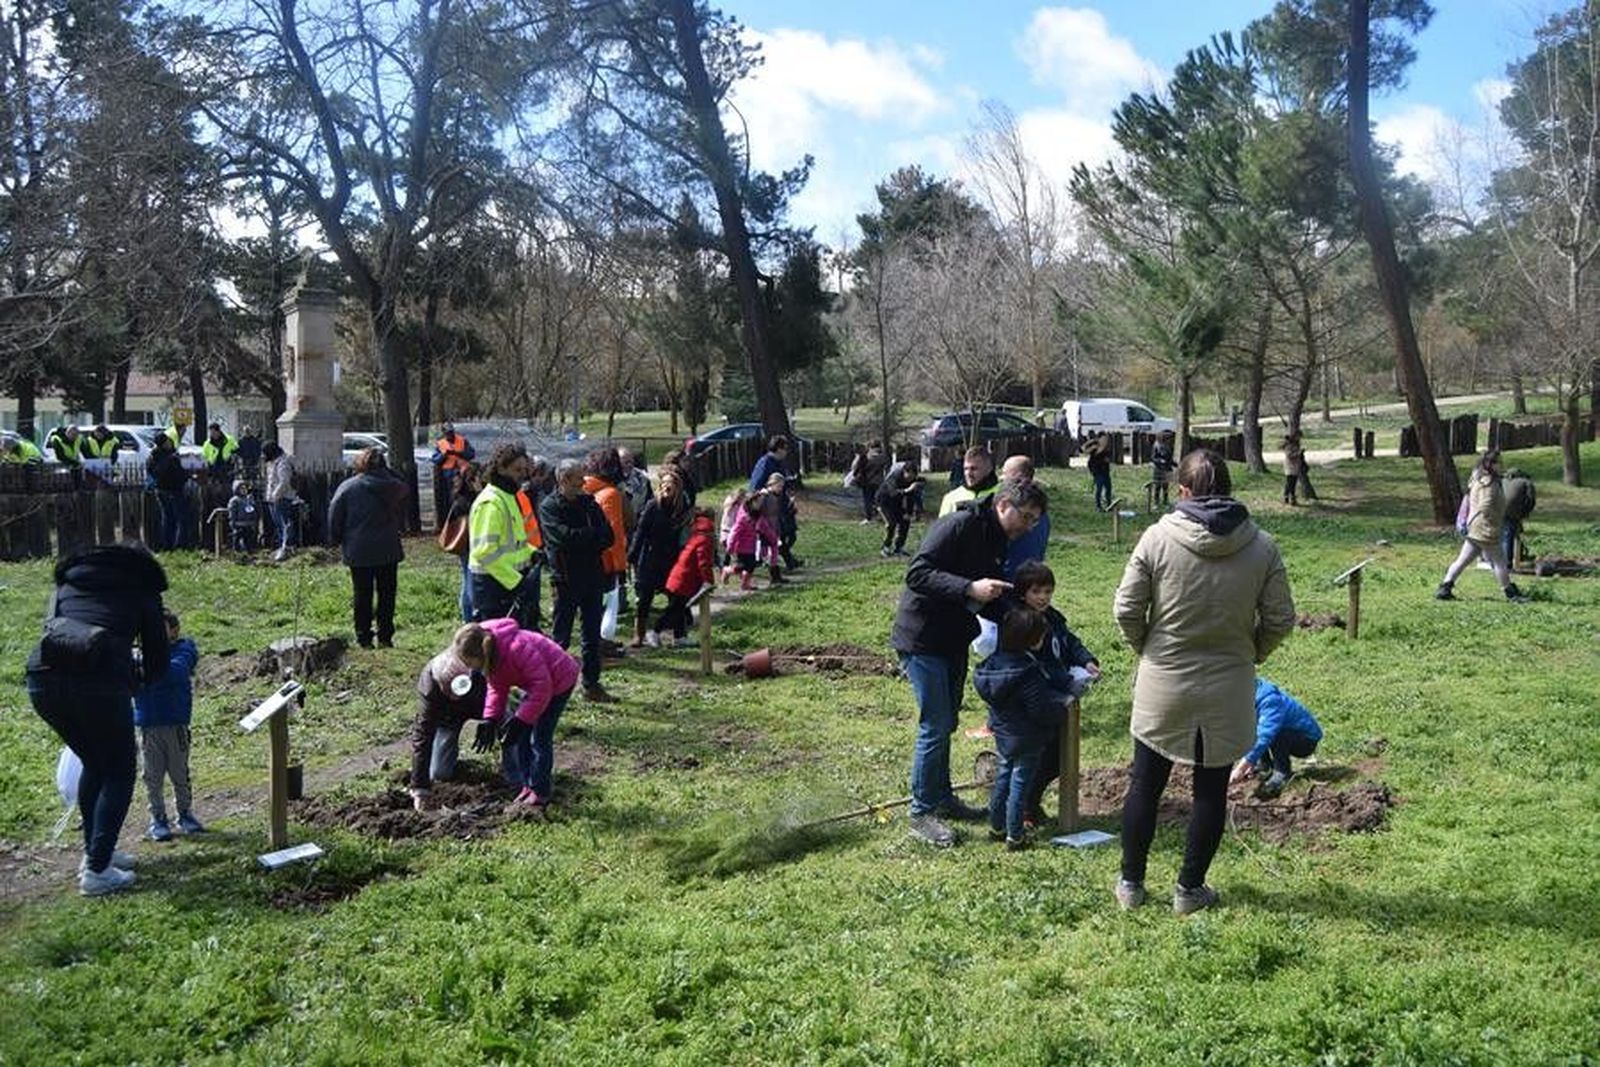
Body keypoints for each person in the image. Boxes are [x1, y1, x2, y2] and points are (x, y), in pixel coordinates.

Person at [1112, 448, 1296, 914]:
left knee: (1144, 785)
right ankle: (1189, 889)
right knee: (1210, 791)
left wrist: (1148, 649)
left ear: (1183, 491)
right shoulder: (1262, 545)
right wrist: (1252, 651)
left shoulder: (1155, 538)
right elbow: (1280, 618)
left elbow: (1127, 609)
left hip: (1164, 681)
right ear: (1230, 491)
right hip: (1230, 683)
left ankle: (1131, 885)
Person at [892, 479, 1050, 848]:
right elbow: (917, 573)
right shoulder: (959, 525)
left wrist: (1025, 615)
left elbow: (989, 594)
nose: (1027, 526)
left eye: (1033, 520)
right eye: (1025, 517)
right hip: (922, 638)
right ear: (1003, 504)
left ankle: (942, 798)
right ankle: (921, 813)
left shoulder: (997, 537)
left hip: (952, 639)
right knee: (935, 724)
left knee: (947, 722)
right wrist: (968, 588)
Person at [26, 543, 169, 895]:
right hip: (99, 683)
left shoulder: (68, 582)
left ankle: (96, 852)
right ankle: (98, 870)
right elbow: (157, 657)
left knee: (95, 762)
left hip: (41, 680)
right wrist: (138, 677)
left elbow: (54, 628)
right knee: (119, 770)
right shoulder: (142, 587)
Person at [1009, 561, 1100, 827]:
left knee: (1058, 755)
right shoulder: (1024, 623)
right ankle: (1022, 808)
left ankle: (1030, 803)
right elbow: (1040, 663)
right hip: (1036, 703)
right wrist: (1067, 681)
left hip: (1056, 698)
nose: (1043, 597)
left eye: (1048, 591)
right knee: (1039, 756)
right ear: (1023, 593)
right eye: (1036, 592)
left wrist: (1086, 660)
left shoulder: (1053, 617)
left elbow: (1069, 642)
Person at [453, 620, 580, 808]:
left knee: (539, 737)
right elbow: (497, 688)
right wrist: (490, 719)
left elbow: (543, 687)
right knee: (522, 738)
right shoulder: (491, 657)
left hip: (559, 680)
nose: (471, 670)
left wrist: (521, 720)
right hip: (536, 685)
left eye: (471, 663)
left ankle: (541, 791)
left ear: (481, 654)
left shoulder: (516, 649)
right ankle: (527, 784)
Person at [975, 607, 1069, 850]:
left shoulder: (992, 666)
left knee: (1004, 778)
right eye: (1039, 637)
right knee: (1020, 784)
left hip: (1004, 734)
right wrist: (1061, 712)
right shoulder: (1028, 672)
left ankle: (997, 826)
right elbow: (1039, 709)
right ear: (1030, 640)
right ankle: (1015, 836)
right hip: (1028, 736)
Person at [539, 458, 616, 702]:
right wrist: (590, 537)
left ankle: (591, 684)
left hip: (592, 576)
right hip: (565, 579)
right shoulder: (550, 507)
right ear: (563, 480)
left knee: (591, 635)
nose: (584, 482)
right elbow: (562, 538)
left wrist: (584, 539)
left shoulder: (589, 504)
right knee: (561, 636)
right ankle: (551, 686)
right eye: (578, 479)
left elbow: (609, 536)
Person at [133, 610, 204, 841]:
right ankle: (158, 818)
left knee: (179, 773)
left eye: (159, 628)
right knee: (152, 776)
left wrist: (147, 669)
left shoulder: (184, 650)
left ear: (174, 631)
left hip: (176, 725)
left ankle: (185, 814)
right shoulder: (136, 655)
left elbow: (177, 672)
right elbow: (130, 677)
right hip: (148, 726)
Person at [327, 447, 409, 649]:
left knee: (362, 594)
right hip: (387, 547)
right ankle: (385, 636)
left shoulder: (348, 487)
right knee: (387, 594)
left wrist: (336, 538)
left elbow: (334, 514)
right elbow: (405, 492)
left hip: (358, 548)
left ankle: (364, 637)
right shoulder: (394, 486)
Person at [1436, 448, 1528, 603]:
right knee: (1500, 562)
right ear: (1491, 464)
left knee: (1463, 560)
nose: (1502, 465)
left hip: (1476, 529)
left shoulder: (1479, 478)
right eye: (1499, 462)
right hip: (1485, 530)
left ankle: (1445, 587)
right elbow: (1485, 506)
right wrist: (1493, 524)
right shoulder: (1489, 483)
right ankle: (1510, 593)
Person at [406, 639, 489, 811]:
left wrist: (491, 720)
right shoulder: (430, 687)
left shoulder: (478, 668)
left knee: (510, 722)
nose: (453, 696)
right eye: (447, 691)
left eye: (456, 691)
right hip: (448, 718)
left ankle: (518, 777)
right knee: (439, 773)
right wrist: (420, 788)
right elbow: (423, 735)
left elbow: (498, 695)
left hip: (481, 703)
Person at [468, 443, 538, 626]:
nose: (523, 475)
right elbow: (485, 552)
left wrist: (532, 553)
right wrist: (516, 582)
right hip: (493, 589)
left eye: (525, 469)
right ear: (500, 468)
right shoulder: (491, 502)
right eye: (517, 470)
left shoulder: (508, 497)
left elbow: (513, 542)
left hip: (508, 583)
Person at [1230, 677, 1324, 799]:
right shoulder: (1246, 698)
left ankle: (1282, 772)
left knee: (1278, 734)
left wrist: (1241, 768)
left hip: (1305, 740)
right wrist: (1250, 762)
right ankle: (1264, 765)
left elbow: (1264, 736)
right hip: (1280, 731)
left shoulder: (1269, 700)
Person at [629, 470, 690, 647]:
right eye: (664, 483)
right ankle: (638, 635)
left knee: (678, 597)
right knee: (644, 599)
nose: (667, 487)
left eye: (671, 484)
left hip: (672, 558)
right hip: (650, 558)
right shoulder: (652, 506)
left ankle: (679, 635)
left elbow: (684, 534)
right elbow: (640, 532)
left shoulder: (682, 507)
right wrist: (632, 554)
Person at [582, 448, 630, 631]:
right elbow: (614, 531)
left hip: (587, 556)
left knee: (592, 605)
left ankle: (596, 640)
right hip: (606, 560)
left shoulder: (584, 488)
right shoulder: (610, 494)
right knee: (608, 604)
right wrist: (619, 565)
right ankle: (602, 641)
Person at [657, 508, 717, 646]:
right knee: (674, 610)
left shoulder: (697, 533)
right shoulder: (705, 537)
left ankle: (679, 637)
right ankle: (655, 631)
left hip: (680, 577)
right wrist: (709, 581)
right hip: (683, 579)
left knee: (680, 609)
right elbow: (704, 563)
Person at [442, 463, 482, 622]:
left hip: (464, 546)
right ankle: (471, 615)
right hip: (470, 545)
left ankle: (467, 616)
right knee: (470, 580)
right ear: (472, 480)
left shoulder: (459, 498)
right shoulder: (471, 501)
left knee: (466, 579)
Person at [1000, 455, 1049, 575]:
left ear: (1018, 476)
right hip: (1030, 580)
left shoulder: (1013, 512)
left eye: (1005, 474)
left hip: (1008, 580)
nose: (1002, 479)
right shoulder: (1043, 515)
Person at [726, 492, 780, 591]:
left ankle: (745, 584)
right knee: (740, 567)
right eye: (758, 502)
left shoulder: (758, 516)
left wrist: (773, 538)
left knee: (751, 566)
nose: (760, 504)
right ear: (751, 502)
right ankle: (727, 571)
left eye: (761, 502)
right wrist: (730, 546)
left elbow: (766, 528)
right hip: (740, 547)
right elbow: (735, 532)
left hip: (751, 547)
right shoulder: (743, 517)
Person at [146, 434, 191, 551]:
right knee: (169, 518)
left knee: (181, 518)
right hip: (164, 489)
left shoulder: (174, 453)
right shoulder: (155, 456)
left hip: (178, 488)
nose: (169, 443)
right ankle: (168, 545)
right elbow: (155, 472)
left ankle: (180, 545)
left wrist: (186, 477)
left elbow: (181, 470)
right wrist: (168, 460)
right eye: (166, 442)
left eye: (169, 441)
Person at [261, 441, 300, 561]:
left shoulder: (283, 462)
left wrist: (274, 495)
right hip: (274, 499)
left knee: (285, 524)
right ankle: (281, 547)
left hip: (282, 498)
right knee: (278, 525)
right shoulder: (273, 462)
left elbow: (284, 482)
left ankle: (287, 547)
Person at [876, 458, 924, 558]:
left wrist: (909, 513)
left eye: (913, 476)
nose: (910, 478)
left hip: (896, 503)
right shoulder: (894, 477)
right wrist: (907, 490)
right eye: (909, 475)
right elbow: (892, 493)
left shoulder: (913, 480)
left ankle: (899, 548)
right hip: (884, 502)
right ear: (904, 472)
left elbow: (911, 497)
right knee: (891, 524)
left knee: (905, 522)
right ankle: (885, 547)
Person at [430, 420, 476, 517]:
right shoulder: (440, 444)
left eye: (451, 432)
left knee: (463, 497)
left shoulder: (463, 441)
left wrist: (459, 453)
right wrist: (444, 455)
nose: (450, 435)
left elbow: (471, 454)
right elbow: (434, 459)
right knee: (448, 500)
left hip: (463, 474)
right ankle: (451, 518)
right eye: (447, 433)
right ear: (444, 433)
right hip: (447, 475)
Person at [937, 446, 998, 518]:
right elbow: (942, 528)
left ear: (988, 469)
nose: (968, 474)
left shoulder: (1002, 495)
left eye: (973, 469)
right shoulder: (951, 498)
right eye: (966, 469)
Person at [1502, 466, 1536, 567]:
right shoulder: (1526, 482)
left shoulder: (1502, 480)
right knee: (1509, 535)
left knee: (1506, 533)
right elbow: (1531, 500)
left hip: (1497, 510)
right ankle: (1507, 562)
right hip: (1512, 512)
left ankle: (1517, 555)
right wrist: (1524, 513)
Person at [853, 441, 888, 523]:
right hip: (879, 482)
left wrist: (855, 475)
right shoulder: (883, 457)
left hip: (867, 482)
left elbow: (857, 469)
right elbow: (887, 468)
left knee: (868, 500)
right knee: (878, 500)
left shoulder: (864, 457)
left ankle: (869, 518)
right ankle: (880, 517)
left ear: (870, 447)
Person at [226, 479, 261, 552]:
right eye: (241, 488)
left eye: (245, 488)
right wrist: (233, 521)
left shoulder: (248, 499)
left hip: (248, 523)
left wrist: (254, 517)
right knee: (237, 538)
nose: (244, 490)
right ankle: (236, 550)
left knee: (248, 538)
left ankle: (249, 549)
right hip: (239, 523)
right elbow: (232, 512)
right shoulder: (234, 500)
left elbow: (252, 510)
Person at [718, 486, 746, 574]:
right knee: (732, 552)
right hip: (729, 531)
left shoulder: (732, 504)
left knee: (728, 552)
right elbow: (733, 520)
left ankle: (724, 567)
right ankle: (729, 568)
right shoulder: (733, 506)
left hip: (727, 531)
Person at [1087, 433, 1113, 512]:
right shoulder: (1094, 448)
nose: (1105, 441)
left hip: (1105, 471)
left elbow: (1108, 459)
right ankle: (1098, 506)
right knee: (1099, 489)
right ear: (1099, 439)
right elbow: (1083, 449)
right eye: (1103, 439)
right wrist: (1091, 441)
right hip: (1097, 471)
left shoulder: (1107, 449)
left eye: (1106, 440)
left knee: (1108, 488)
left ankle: (1109, 504)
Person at [1150, 432, 1175, 509]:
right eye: (1168, 439)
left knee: (1166, 486)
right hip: (1158, 469)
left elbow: (1170, 459)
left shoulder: (1168, 446)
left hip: (1167, 469)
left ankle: (1165, 501)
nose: (1169, 440)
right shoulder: (1156, 445)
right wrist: (1160, 461)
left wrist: (1176, 464)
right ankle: (1156, 502)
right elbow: (1153, 458)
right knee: (1157, 486)